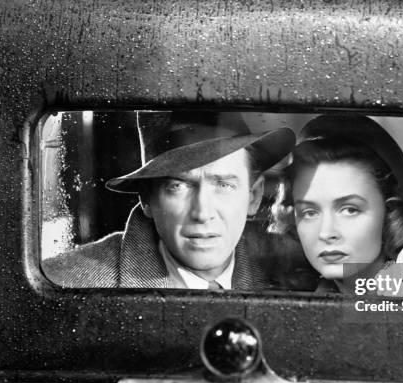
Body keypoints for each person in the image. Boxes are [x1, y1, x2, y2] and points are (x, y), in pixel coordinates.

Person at [43, 111, 295, 289]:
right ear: (147, 199)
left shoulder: (292, 269)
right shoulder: (65, 284)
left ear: (254, 196)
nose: (203, 212)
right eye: (178, 186)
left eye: (224, 185)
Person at [270, 114, 403, 294]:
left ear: (388, 215)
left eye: (349, 210)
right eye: (309, 212)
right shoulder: (290, 305)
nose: (326, 233)